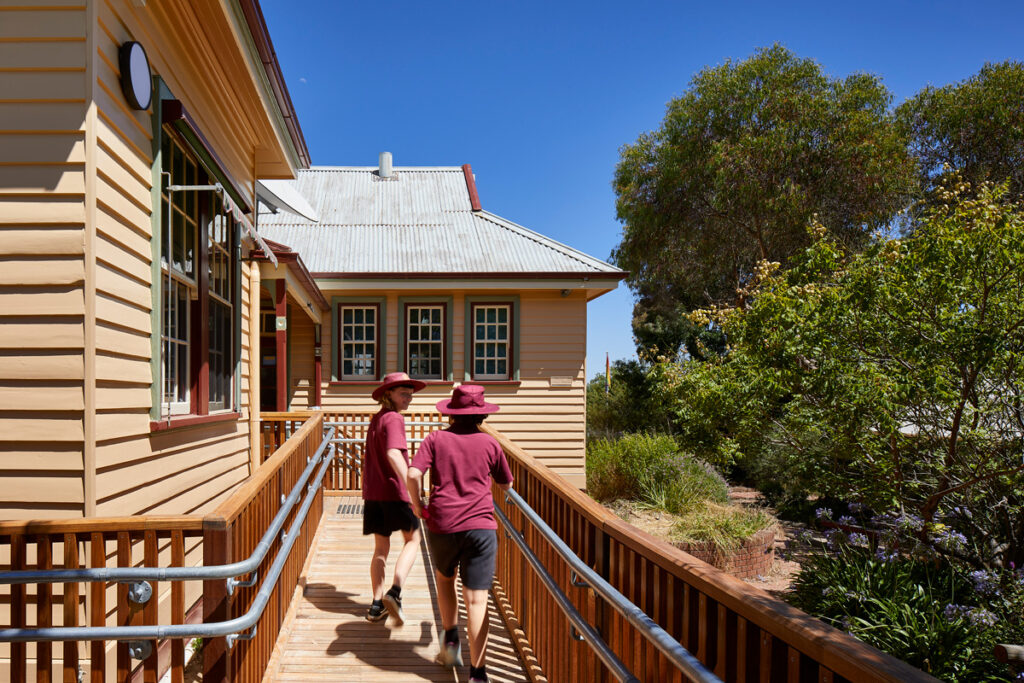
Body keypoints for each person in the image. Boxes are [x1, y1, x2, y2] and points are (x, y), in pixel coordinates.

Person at [407, 384, 513, 683]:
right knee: (477, 600)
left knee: (445, 580)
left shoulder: (435, 439)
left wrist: (418, 506)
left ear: (451, 413)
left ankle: (450, 647)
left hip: (442, 525)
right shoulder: (490, 444)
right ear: (481, 415)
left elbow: (413, 474)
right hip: (480, 527)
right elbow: (506, 484)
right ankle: (478, 674)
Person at [362, 371, 426, 625]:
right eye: (403, 391)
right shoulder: (394, 419)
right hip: (394, 492)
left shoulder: (377, 419)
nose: (408, 395)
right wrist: (414, 491)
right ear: (388, 393)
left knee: (381, 548)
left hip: (374, 494)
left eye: (410, 392)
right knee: (414, 539)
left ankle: (377, 605)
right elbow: (393, 454)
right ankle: (395, 592)